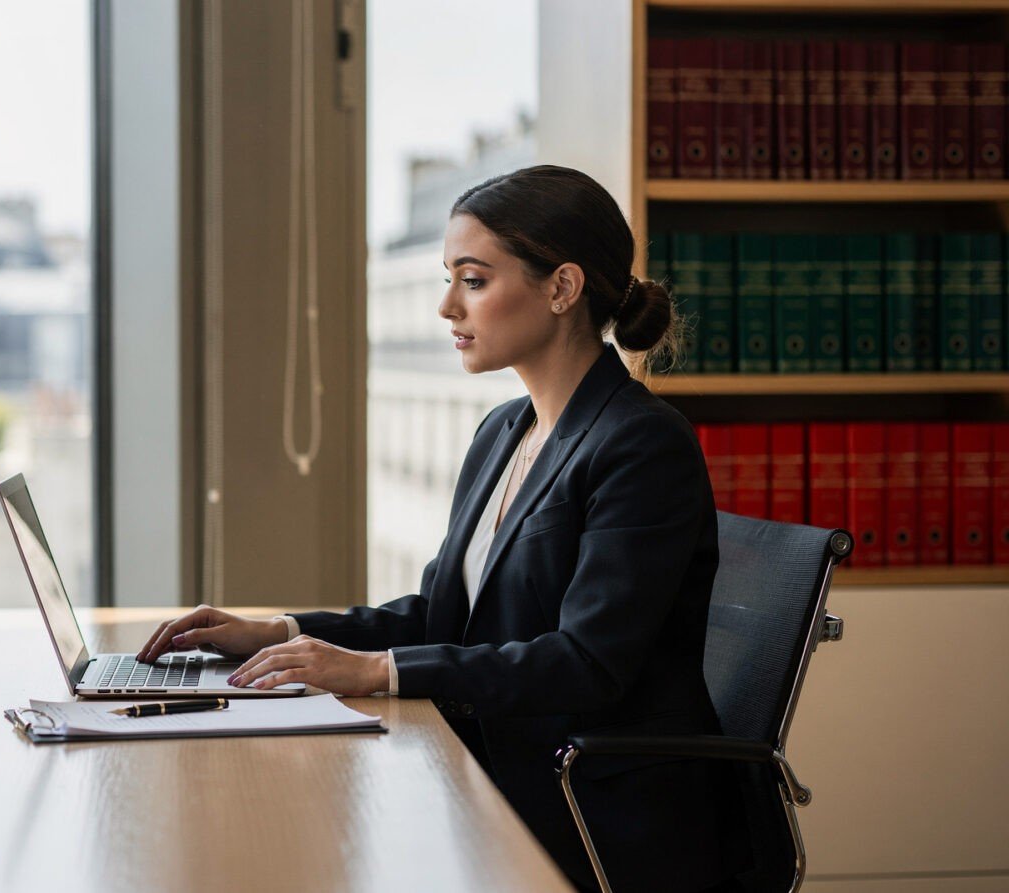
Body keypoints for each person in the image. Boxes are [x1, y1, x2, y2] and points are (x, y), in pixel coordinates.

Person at [137, 164, 746, 892]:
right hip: (496, 770)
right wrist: (279, 631)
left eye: (473, 279)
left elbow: (587, 664)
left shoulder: (642, 443)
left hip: (592, 808)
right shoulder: (504, 430)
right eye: (449, 278)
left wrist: (377, 671)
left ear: (562, 288)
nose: (446, 306)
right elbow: (441, 616)